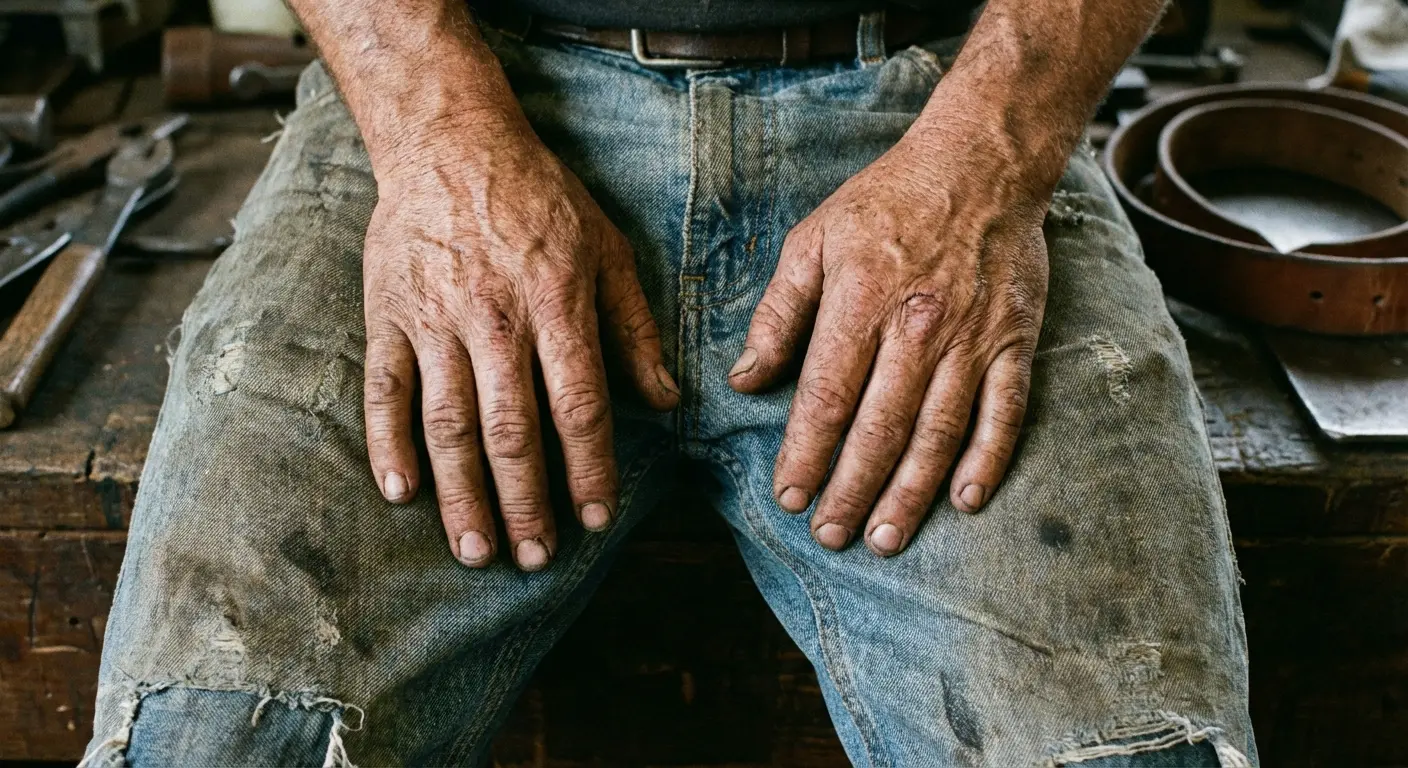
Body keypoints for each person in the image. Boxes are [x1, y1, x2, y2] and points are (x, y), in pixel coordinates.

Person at [82, 0, 1256, 765]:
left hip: (950, 122)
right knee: (215, 735)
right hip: (448, 102)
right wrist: (434, 131)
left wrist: (991, 154)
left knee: (1125, 751)